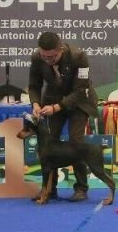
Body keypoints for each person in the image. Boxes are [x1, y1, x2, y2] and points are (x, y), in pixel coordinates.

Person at [27, 31, 99, 202]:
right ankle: (49, 190)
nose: (47, 60)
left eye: (51, 57)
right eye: (44, 56)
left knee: (76, 143)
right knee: (49, 144)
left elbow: (81, 90)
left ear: (60, 50)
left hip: (79, 102)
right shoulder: (37, 57)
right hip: (52, 101)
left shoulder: (78, 56)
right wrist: (35, 104)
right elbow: (34, 85)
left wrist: (58, 107)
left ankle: (81, 188)